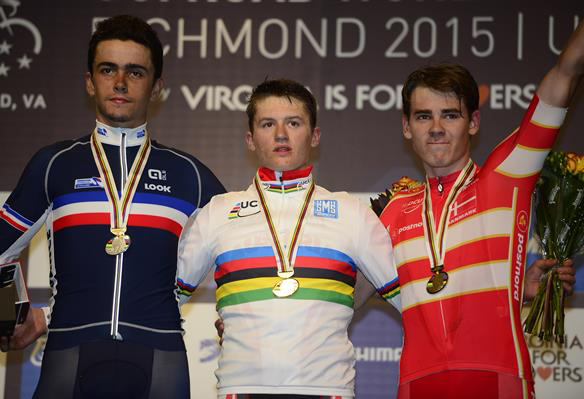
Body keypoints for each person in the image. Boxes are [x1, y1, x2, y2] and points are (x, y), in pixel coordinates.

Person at [0, 15, 224, 398]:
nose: (120, 83)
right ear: (89, 81)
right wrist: (0, 320)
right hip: (69, 353)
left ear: (157, 86)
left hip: (160, 359)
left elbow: (246, 254)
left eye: (136, 72)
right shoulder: (54, 165)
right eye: (107, 69)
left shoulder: (189, 175)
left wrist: (240, 318)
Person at [376, 20, 584, 399]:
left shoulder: (508, 176)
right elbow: (338, 294)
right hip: (416, 385)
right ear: (406, 127)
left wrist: (510, 289)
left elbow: (564, 74)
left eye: (450, 115)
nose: (436, 127)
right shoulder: (391, 210)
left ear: (473, 122)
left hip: (497, 380)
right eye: (423, 116)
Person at [176, 79, 401, 399]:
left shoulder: (352, 213)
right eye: (268, 124)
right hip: (242, 389)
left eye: (293, 123)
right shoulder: (219, 212)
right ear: (250, 139)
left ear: (315, 135)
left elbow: (413, 301)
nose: (281, 134)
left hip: (328, 389)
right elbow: (165, 301)